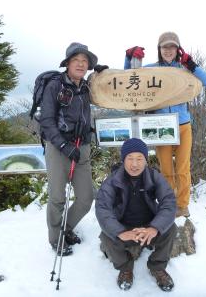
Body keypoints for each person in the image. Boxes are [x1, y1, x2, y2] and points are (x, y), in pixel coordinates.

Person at [124, 32, 206, 218]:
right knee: (166, 169)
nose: (168, 50)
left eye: (172, 47)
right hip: (160, 125)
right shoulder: (153, 69)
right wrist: (129, 57)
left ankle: (182, 205)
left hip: (183, 125)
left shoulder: (184, 69)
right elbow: (129, 78)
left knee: (182, 168)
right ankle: (167, 203)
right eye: (165, 47)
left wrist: (192, 65)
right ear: (159, 49)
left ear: (178, 49)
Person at [40, 42, 107, 256]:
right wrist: (62, 145)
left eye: (84, 61)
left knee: (86, 198)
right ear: (67, 63)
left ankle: (66, 228)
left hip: (82, 147)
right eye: (76, 60)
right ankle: (55, 238)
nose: (80, 64)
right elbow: (47, 121)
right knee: (58, 197)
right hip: (58, 148)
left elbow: (110, 90)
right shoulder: (54, 86)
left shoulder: (87, 86)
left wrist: (102, 76)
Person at [95, 138, 177, 292]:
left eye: (139, 159)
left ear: (145, 160)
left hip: (149, 227)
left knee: (170, 229)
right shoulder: (113, 180)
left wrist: (154, 228)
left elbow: (169, 202)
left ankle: (157, 267)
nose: (134, 164)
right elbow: (102, 208)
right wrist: (120, 232)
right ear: (123, 159)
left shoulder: (154, 176)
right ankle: (125, 268)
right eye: (130, 158)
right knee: (107, 235)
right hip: (124, 227)